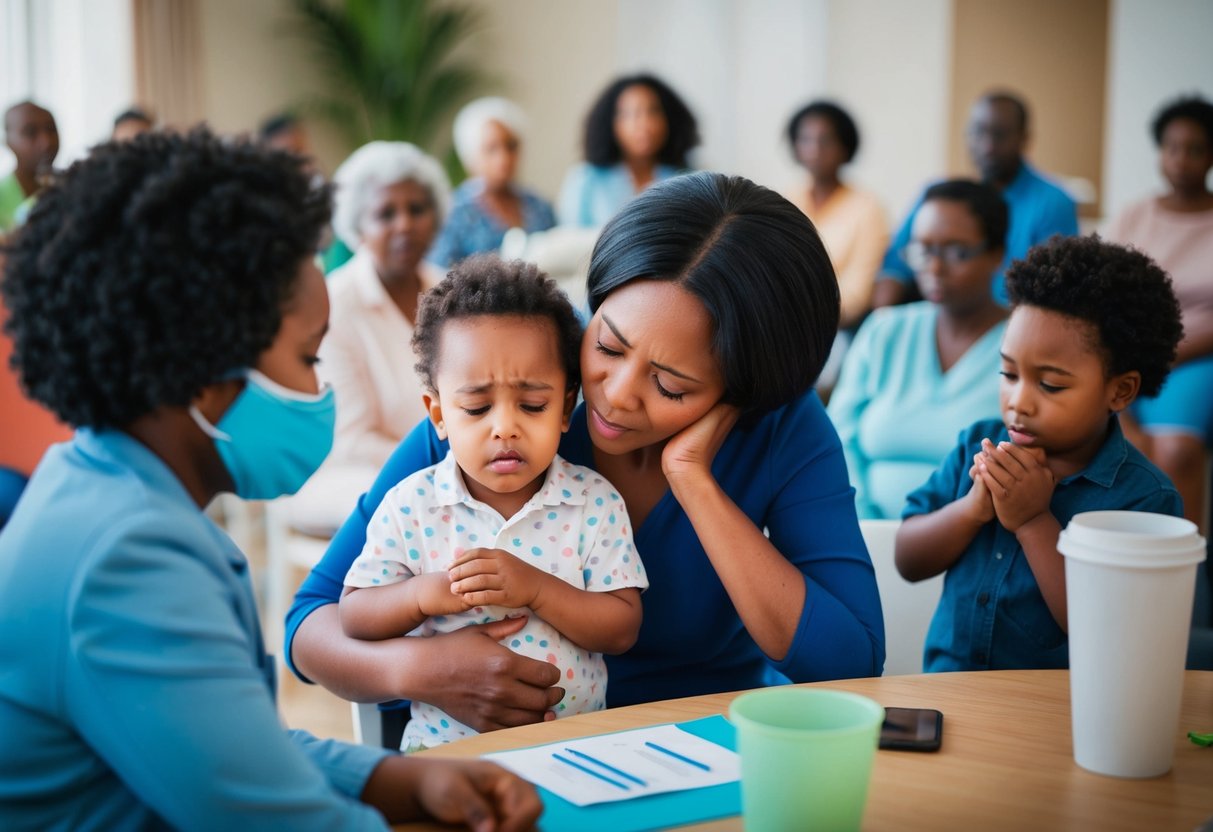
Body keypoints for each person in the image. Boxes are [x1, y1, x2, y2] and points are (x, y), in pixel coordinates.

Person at [0, 129, 541, 831]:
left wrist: (397, 777)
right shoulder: (125, 558)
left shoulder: (98, 486)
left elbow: (227, 745)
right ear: (205, 370)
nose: (321, 389)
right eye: (308, 357)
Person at [287, 171, 885, 746]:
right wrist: (425, 671)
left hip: (691, 750)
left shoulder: (781, 426)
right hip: (484, 756)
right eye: (606, 345)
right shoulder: (515, 388)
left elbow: (850, 661)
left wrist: (694, 482)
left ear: (743, 390)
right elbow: (311, 625)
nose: (614, 394)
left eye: (671, 386)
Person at [341, 255, 646, 750]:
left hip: (577, 747)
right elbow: (353, 614)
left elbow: (621, 627)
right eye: (477, 407)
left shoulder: (592, 502)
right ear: (438, 415)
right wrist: (423, 595)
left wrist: (537, 588)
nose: (505, 426)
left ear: (566, 408)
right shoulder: (411, 505)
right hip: (445, 752)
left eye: (532, 405)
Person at [895, 235, 1184, 672]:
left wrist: (1033, 522)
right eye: (1008, 373)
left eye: (1050, 384)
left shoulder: (1145, 499)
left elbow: (1105, 631)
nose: (1019, 402)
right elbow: (908, 561)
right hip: (947, 693)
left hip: (1058, 712)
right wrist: (972, 509)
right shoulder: (976, 444)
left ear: (1120, 390)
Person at [289, 141, 450, 535]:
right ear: (358, 227)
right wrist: (447, 459)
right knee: (425, 506)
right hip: (351, 473)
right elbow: (353, 439)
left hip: (452, 459)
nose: (405, 225)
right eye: (385, 213)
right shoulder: (335, 303)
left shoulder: (450, 288)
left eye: (417, 209)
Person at [828, 180, 1009, 520]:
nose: (935, 268)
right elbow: (836, 441)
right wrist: (863, 523)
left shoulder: (1020, 345)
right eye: (923, 250)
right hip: (864, 532)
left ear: (995, 255)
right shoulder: (885, 331)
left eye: (957, 252)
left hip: (974, 545)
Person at [1103, 94, 1213, 533]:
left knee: (1175, 450)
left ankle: (1187, 585)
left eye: (1195, 148)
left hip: (1196, 358)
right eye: (1171, 147)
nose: (1181, 159)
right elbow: (1104, 292)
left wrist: (1167, 353)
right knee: (1131, 444)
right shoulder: (1134, 216)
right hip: (1130, 353)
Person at [872, 91, 1078, 308]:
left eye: (1000, 135)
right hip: (941, 316)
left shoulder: (1054, 203)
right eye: (979, 132)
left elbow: (1054, 291)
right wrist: (883, 321)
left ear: (1024, 138)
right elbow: (895, 263)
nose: (988, 146)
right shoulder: (940, 196)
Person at [784, 100, 888, 340]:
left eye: (826, 140)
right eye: (805, 139)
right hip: (781, 322)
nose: (815, 150)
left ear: (845, 146)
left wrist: (799, 319)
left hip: (836, 330)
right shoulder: (785, 199)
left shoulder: (867, 208)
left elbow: (856, 294)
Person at [427, 98, 556, 269]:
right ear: (470, 157)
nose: (504, 158)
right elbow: (439, 275)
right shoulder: (452, 213)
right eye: (491, 148)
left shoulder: (539, 207)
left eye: (511, 146)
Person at [557, 74, 698, 228]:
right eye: (631, 114)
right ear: (610, 123)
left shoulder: (689, 178)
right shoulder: (585, 179)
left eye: (654, 111)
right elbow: (569, 240)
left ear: (670, 119)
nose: (644, 124)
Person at [1, 100, 59, 233]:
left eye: (51, 129)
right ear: (7, 142)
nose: (46, 142)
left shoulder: (73, 189)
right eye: (30, 132)